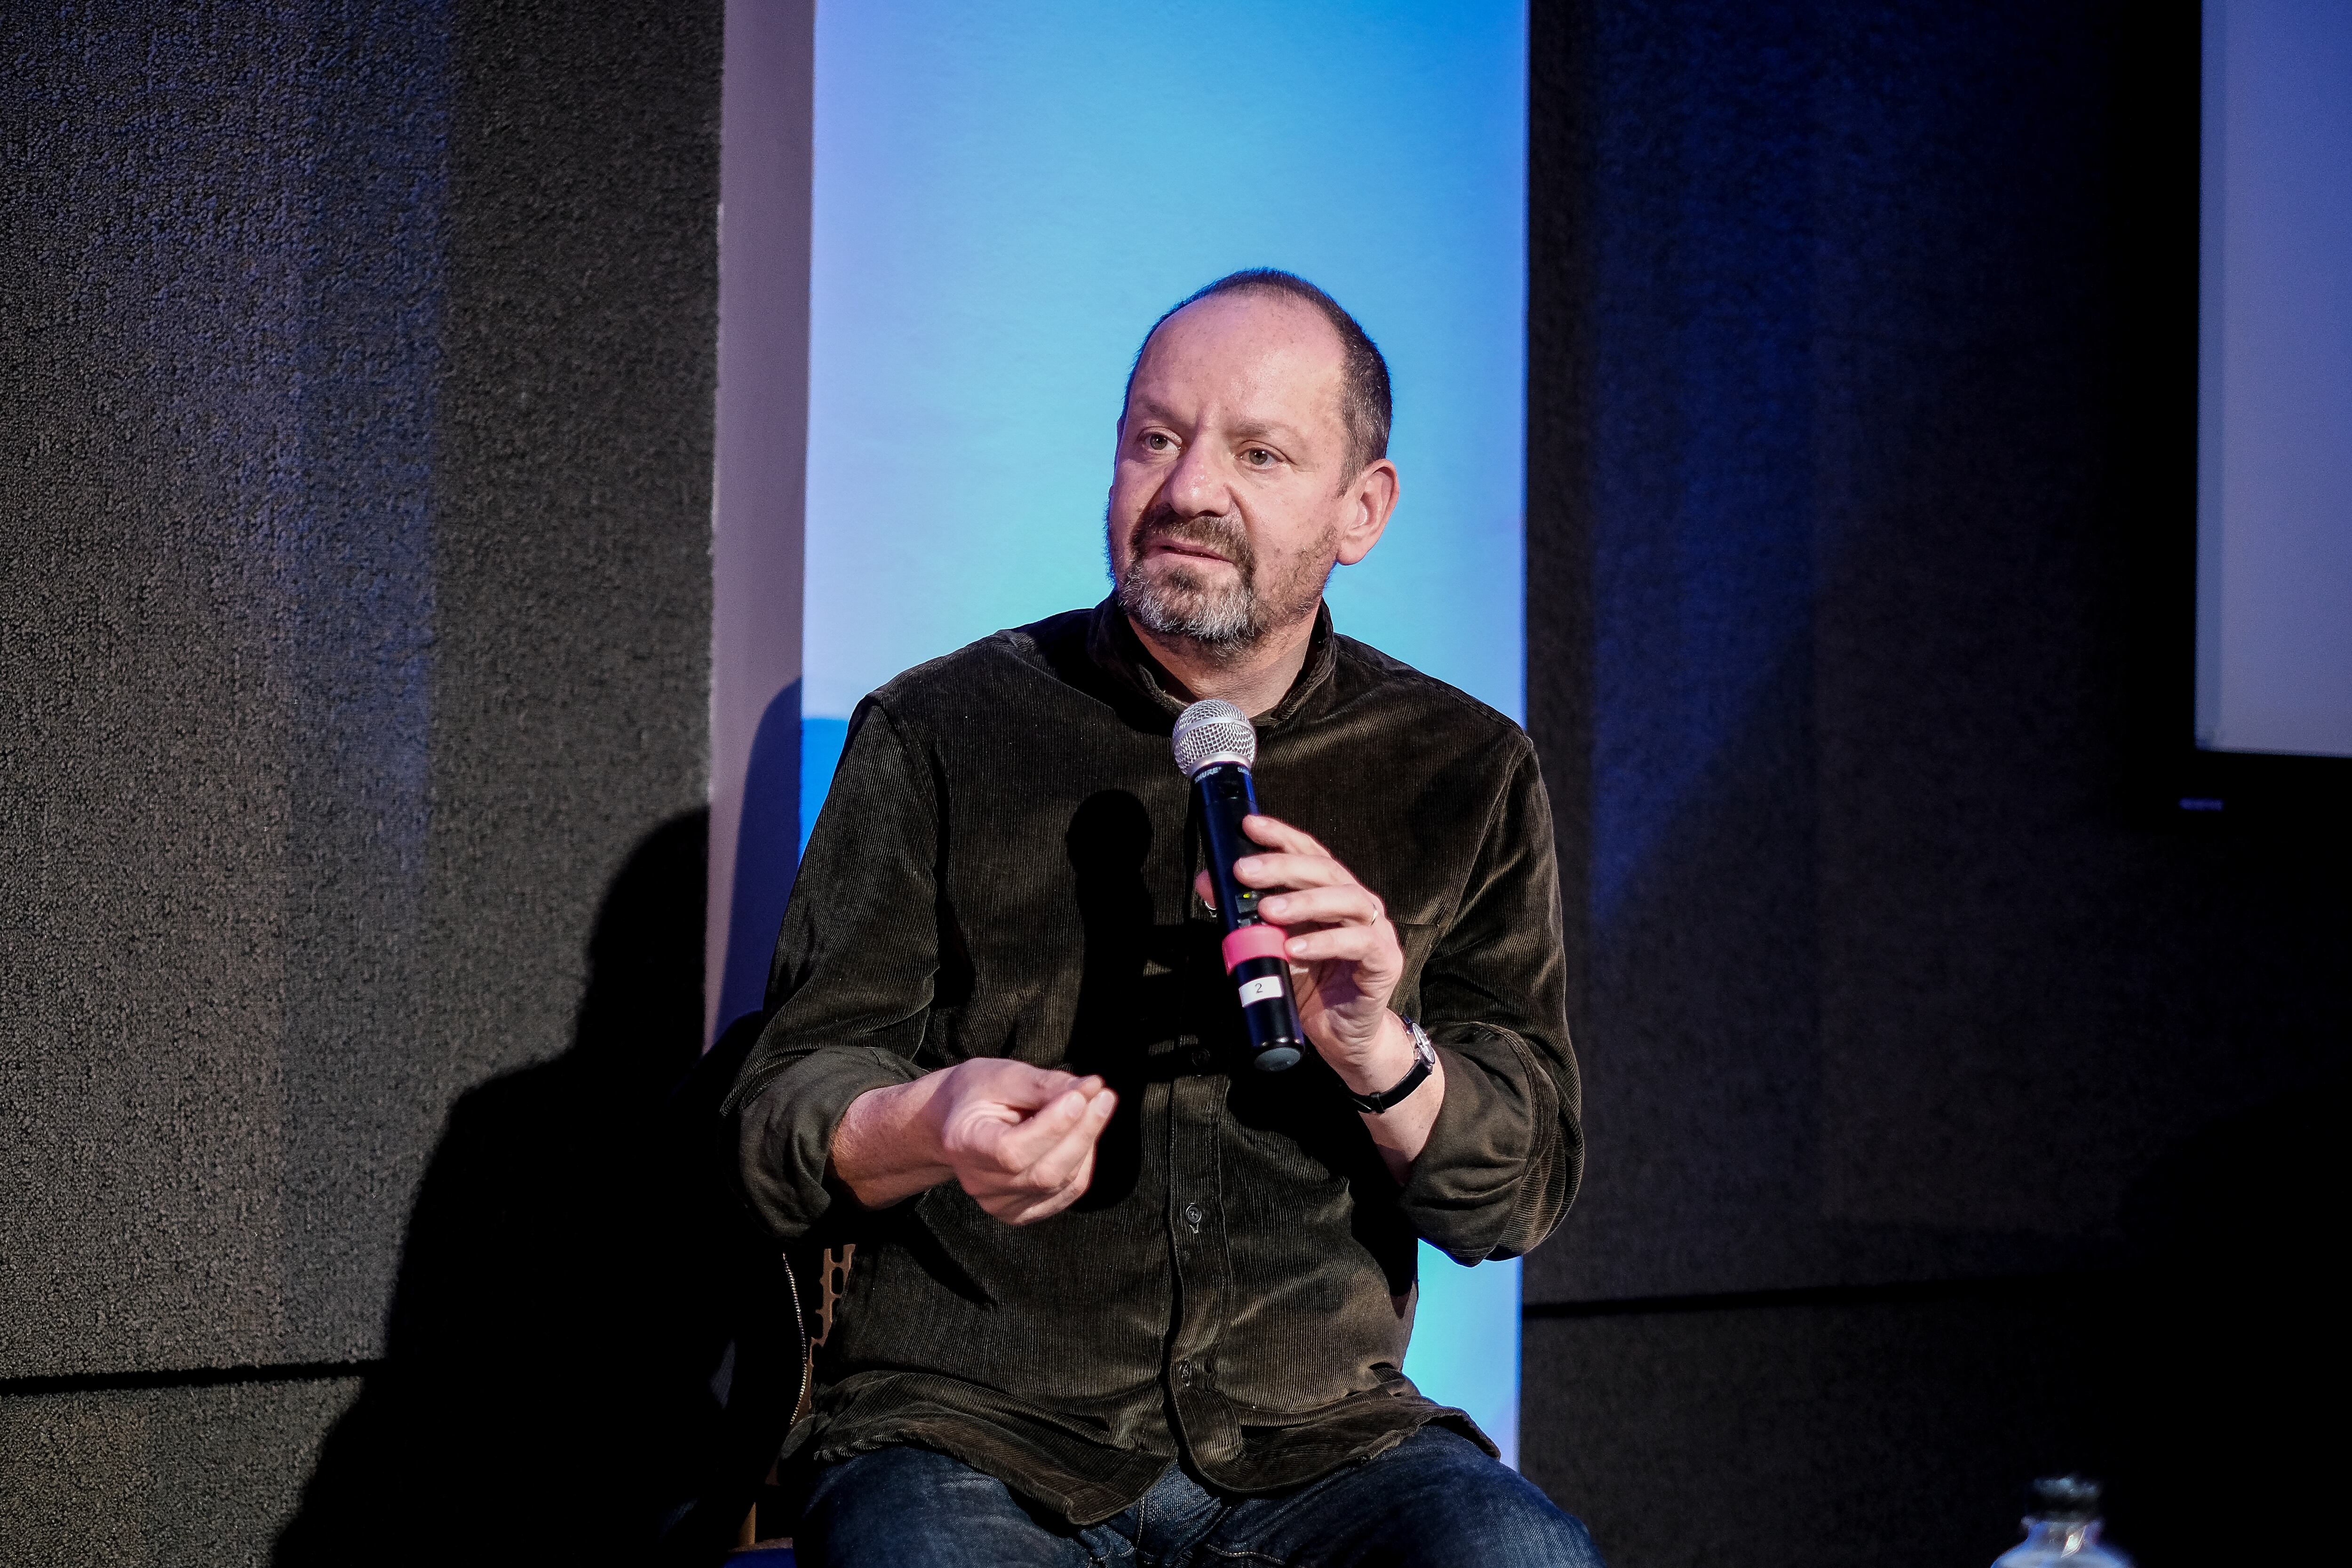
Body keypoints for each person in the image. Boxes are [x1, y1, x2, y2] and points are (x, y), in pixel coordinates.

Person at [726, 269, 1600, 1568]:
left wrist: (1380, 1051)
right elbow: (777, 1109)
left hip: (1317, 1441)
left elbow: (1515, 1194)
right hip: (977, 1432)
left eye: (1259, 452)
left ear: (1364, 508)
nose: (1190, 488)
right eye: (1155, 437)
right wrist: (934, 1121)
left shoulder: (1463, 768)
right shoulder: (945, 730)